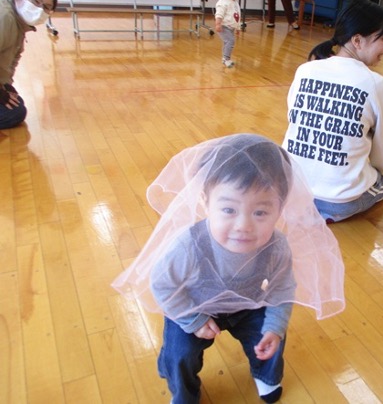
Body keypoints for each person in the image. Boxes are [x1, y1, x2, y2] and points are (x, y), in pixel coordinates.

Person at [112, 134, 345, 403]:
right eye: (229, 210)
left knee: (271, 339)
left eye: (260, 212)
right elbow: (162, 284)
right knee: (180, 354)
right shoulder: (189, 245)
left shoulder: (276, 247)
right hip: (193, 306)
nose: (243, 225)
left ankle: (266, 375)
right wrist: (194, 320)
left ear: (280, 208)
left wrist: (275, 327)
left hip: (248, 305)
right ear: (205, 201)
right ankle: (184, 391)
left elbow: (282, 288)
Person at [281, 0, 383, 223]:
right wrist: (381, 170)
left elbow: (294, 116)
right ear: (357, 40)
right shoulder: (376, 83)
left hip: (290, 190)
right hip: (339, 202)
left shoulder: (305, 70)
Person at [0, 0, 57, 129]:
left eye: (46, 7)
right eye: (36, 1)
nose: (40, 10)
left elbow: (10, 62)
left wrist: (6, 86)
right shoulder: (4, 18)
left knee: (15, 104)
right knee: (13, 113)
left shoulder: (18, 23)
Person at [214, 0, 241, 68]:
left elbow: (237, 16)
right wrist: (218, 24)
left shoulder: (235, 3)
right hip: (224, 26)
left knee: (227, 42)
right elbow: (219, 14)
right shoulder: (223, 2)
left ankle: (225, 58)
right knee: (230, 41)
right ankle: (226, 59)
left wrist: (238, 28)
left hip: (231, 28)